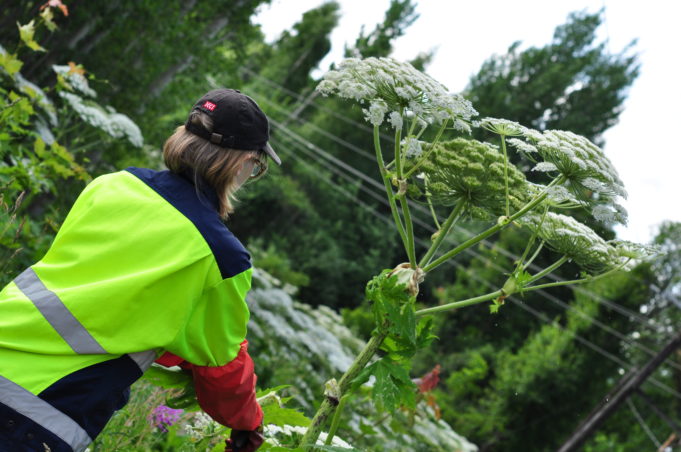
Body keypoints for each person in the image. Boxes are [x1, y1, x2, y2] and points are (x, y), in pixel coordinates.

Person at [0, 89, 281, 452]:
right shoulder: (220, 257)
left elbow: (106, 304)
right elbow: (222, 367)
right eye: (257, 166)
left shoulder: (112, 184)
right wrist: (248, 423)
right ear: (242, 162)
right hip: (37, 408)